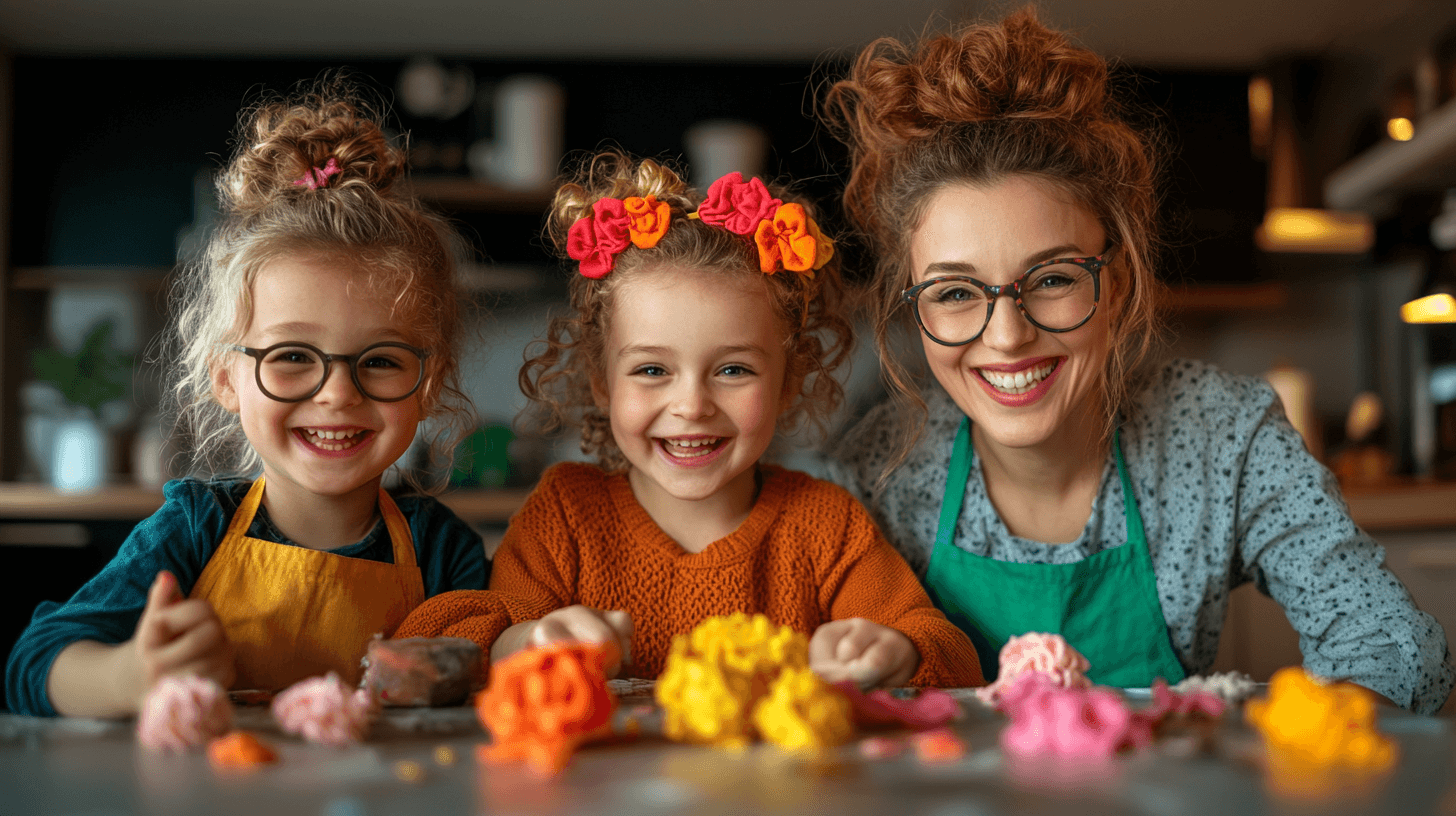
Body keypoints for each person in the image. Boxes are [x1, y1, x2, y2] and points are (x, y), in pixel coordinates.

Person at [820, 10, 1454, 712]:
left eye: (1054, 278)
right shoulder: (876, 475)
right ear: (916, 309)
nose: (1006, 336)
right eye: (956, 292)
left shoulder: (1221, 434)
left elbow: (1397, 652)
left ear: (1115, 282)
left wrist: (1280, 746)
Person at [392, 151, 983, 689]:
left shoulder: (826, 528)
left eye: (733, 371)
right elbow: (473, 637)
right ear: (602, 380)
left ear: (789, 381)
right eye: (652, 371)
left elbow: (943, 647)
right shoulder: (566, 517)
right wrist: (526, 643)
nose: (692, 405)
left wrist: (894, 650)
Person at [5, 81, 488, 717]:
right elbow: (31, 663)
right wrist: (128, 675)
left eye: (380, 361)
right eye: (291, 357)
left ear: (428, 384)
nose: (337, 394)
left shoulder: (443, 552)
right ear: (227, 378)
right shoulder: (191, 531)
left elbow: (488, 672)